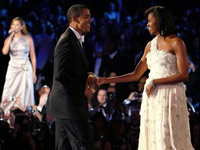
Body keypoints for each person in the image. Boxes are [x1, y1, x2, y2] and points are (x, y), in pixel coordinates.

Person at [98, 6, 194, 150]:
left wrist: (155, 82)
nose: (147, 24)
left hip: (169, 96)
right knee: (153, 138)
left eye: (150, 20)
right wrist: (105, 80)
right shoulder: (150, 45)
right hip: (152, 97)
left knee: (167, 137)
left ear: (160, 21)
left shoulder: (176, 42)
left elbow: (184, 75)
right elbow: (136, 74)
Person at [46, 4, 95, 150]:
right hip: (69, 106)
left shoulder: (74, 39)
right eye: (86, 16)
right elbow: (61, 75)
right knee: (83, 146)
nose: (90, 20)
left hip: (66, 106)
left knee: (64, 146)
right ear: (74, 18)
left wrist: (87, 75)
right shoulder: (66, 41)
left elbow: (71, 70)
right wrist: (83, 89)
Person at [1, 17, 36, 108]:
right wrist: (11, 36)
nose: (14, 26)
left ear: (21, 27)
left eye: (17, 25)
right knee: (9, 88)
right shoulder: (8, 39)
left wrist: (34, 72)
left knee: (23, 90)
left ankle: (23, 112)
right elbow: (4, 52)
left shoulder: (28, 38)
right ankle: (7, 111)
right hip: (13, 66)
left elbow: (32, 56)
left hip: (25, 67)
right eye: (13, 24)